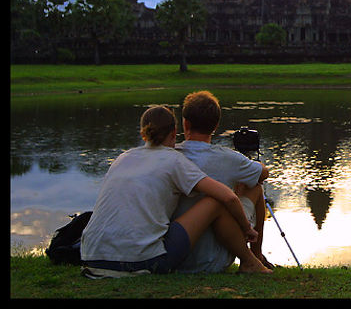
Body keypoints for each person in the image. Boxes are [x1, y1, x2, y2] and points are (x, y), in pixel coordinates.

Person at [80, 105, 271, 278]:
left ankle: (252, 261)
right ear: (174, 132)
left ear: (143, 133)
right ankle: (250, 261)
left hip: (91, 257)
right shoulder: (173, 160)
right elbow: (228, 197)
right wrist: (247, 229)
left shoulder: (123, 158)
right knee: (215, 200)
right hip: (141, 262)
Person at [171, 90, 274, 273]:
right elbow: (263, 174)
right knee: (255, 187)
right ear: (216, 125)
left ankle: (254, 258)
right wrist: (255, 165)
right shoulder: (228, 158)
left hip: (175, 252)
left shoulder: (170, 156)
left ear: (185, 123)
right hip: (214, 260)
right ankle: (255, 257)